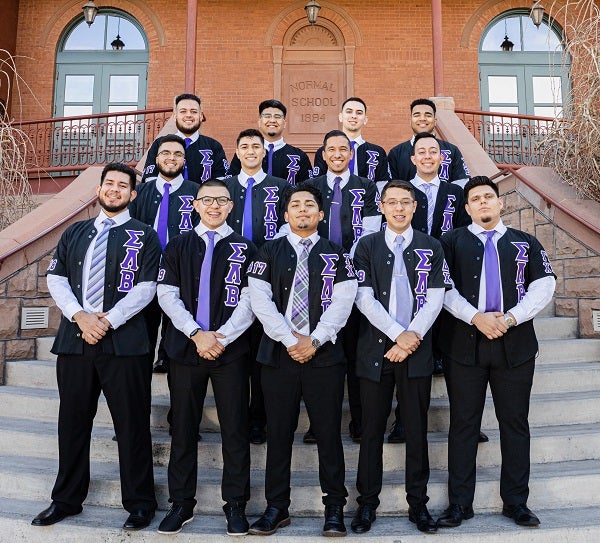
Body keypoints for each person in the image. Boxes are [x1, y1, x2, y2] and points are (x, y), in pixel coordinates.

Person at [33, 163, 161, 531]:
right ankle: (67, 499)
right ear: (99, 190)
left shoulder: (145, 235)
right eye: (110, 184)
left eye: (123, 185)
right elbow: (56, 278)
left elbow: (147, 287)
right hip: (75, 342)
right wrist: (80, 316)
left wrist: (106, 320)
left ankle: (139, 502)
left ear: (133, 195)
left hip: (125, 344)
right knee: (72, 423)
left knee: (132, 424)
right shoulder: (76, 232)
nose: (115, 189)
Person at [436, 176, 556, 529]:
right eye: (476, 199)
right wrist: (475, 317)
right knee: (463, 425)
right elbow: (442, 288)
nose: (483, 203)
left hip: (515, 346)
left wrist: (511, 317)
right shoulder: (450, 243)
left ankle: (516, 502)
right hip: (463, 346)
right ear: (467, 207)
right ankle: (459, 504)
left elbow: (544, 284)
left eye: (489, 196)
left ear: (500, 202)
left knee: (515, 424)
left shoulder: (525, 243)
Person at [247, 184, 358, 537]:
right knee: (279, 433)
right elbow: (259, 300)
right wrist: (288, 338)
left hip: (323, 357)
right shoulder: (268, 252)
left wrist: (316, 339)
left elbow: (344, 301)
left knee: (328, 434)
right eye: (296, 205)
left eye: (310, 205)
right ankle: (277, 507)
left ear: (321, 214)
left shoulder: (336, 254)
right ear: (286, 214)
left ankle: (335, 508)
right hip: (278, 356)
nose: (303, 210)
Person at [156, 179, 256, 535]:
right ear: (195, 205)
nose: (214, 206)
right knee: (183, 428)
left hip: (231, 353)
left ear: (231, 206)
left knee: (235, 429)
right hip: (185, 350)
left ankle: (236, 505)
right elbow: (167, 294)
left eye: (222, 201)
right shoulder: (178, 246)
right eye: (207, 200)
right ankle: (181, 504)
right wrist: (197, 334)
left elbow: (251, 300)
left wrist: (222, 337)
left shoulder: (246, 247)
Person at [351, 180, 450, 534]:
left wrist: (411, 339)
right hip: (375, 352)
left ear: (414, 206)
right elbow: (362, 297)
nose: (398, 208)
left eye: (405, 202)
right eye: (391, 202)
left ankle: (418, 504)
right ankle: (366, 504)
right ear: (381, 206)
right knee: (372, 430)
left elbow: (436, 297)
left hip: (416, 352)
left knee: (416, 430)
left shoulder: (431, 246)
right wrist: (398, 335)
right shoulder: (366, 245)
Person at [387, 131, 472, 443]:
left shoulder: (454, 192)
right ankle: (404, 423)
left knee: (455, 353)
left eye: (432, 152)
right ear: (413, 159)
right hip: (408, 274)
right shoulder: (403, 193)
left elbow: (466, 230)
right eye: (420, 152)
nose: (426, 156)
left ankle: (466, 424)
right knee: (411, 347)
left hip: (447, 272)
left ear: (441, 158)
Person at [302, 129, 381, 443]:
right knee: (321, 355)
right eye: (331, 149)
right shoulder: (310, 188)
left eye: (343, 149)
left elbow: (372, 232)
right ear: (323, 154)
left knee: (356, 353)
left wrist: (347, 261)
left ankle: (360, 421)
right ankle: (318, 424)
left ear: (351, 154)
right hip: (316, 277)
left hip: (355, 275)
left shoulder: (367, 187)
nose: (337, 154)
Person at [225, 128, 290, 444]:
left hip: (268, 274)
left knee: (262, 350)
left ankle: (258, 417)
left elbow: (289, 227)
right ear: (236, 152)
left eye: (256, 146)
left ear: (265, 152)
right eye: (244, 145)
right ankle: (235, 416)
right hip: (226, 274)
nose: (251, 150)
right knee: (234, 348)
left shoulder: (281, 187)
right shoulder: (222, 188)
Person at [129, 134, 200, 375]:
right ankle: (143, 361)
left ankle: (169, 361)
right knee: (145, 318)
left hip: (181, 268)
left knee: (175, 318)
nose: (172, 158)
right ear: (157, 158)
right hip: (146, 267)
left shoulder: (197, 193)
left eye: (178, 154)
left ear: (184, 160)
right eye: (166, 153)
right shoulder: (140, 193)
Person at [142, 93, 229, 183]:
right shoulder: (160, 144)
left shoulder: (214, 146)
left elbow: (222, 181)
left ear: (201, 116)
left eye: (194, 112)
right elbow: (150, 180)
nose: (188, 115)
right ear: (175, 116)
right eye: (183, 111)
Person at [313, 97, 391, 192]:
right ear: (340, 117)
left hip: (368, 203)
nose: (354, 116)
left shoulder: (377, 152)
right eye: (349, 112)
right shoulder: (324, 151)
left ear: (365, 119)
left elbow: (382, 185)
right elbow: (318, 184)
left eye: (359, 113)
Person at [388, 98, 470, 186]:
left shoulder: (452, 150)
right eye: (417, 115)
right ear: (410, 121)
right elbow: (391, 188)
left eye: (428, 115)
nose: (422, 119)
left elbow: (462, 184)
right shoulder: (396, 153)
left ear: (435, 121)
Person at [228, 99, 313, 184]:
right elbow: (232, 184)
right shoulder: (246, 153)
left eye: (277, 116)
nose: (272, 120)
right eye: (267, 116)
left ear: (284, 123)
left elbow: (308, 189)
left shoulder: (299, 156)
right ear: (259, 122)